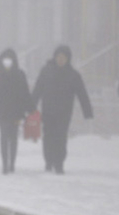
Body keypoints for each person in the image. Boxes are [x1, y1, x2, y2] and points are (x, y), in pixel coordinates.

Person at [31, 44, 93, 174]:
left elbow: (82, 93)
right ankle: (48, 161)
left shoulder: (73, 75)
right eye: (58, 57)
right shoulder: (46, 71)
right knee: (48, 136)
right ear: (55, 57)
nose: (61, 60)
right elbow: (38, 89)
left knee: (61, 137)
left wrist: (87, 111)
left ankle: (59, 163)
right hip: (48, 110)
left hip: (64, 112)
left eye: (63, 57)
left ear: (68, 59)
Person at [0, 48, 34, 174]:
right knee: (4, 136)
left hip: (16, 110)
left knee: (13, 137)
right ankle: (5, 164)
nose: (7, 62)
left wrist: (29, 107)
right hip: (2, 110)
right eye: (5, 60)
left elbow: (25, 92)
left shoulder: (20, 74)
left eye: (10, 60)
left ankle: (12, 164)